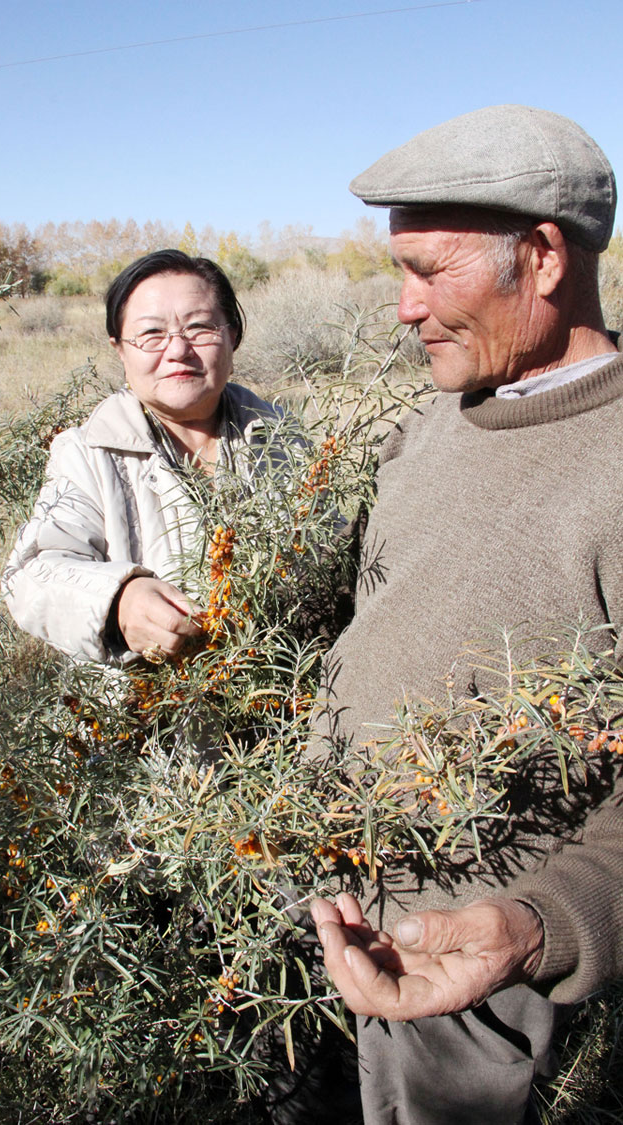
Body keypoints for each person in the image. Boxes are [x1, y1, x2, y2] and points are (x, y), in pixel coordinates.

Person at [309, 105, 623, 1124]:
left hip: (486, 989)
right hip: (344, 908)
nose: (403, 310)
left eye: (429, 273)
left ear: (540, 258)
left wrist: (540, 928)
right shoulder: (428, 429)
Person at [3, 249, 284, 665]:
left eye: (200, 327)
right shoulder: (85, 453)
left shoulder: (281, 436)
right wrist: (119, 600)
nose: (177, 350)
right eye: (151, 334)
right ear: (120, 350)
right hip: (147, 719)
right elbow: (30, 575)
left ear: (233, 336)